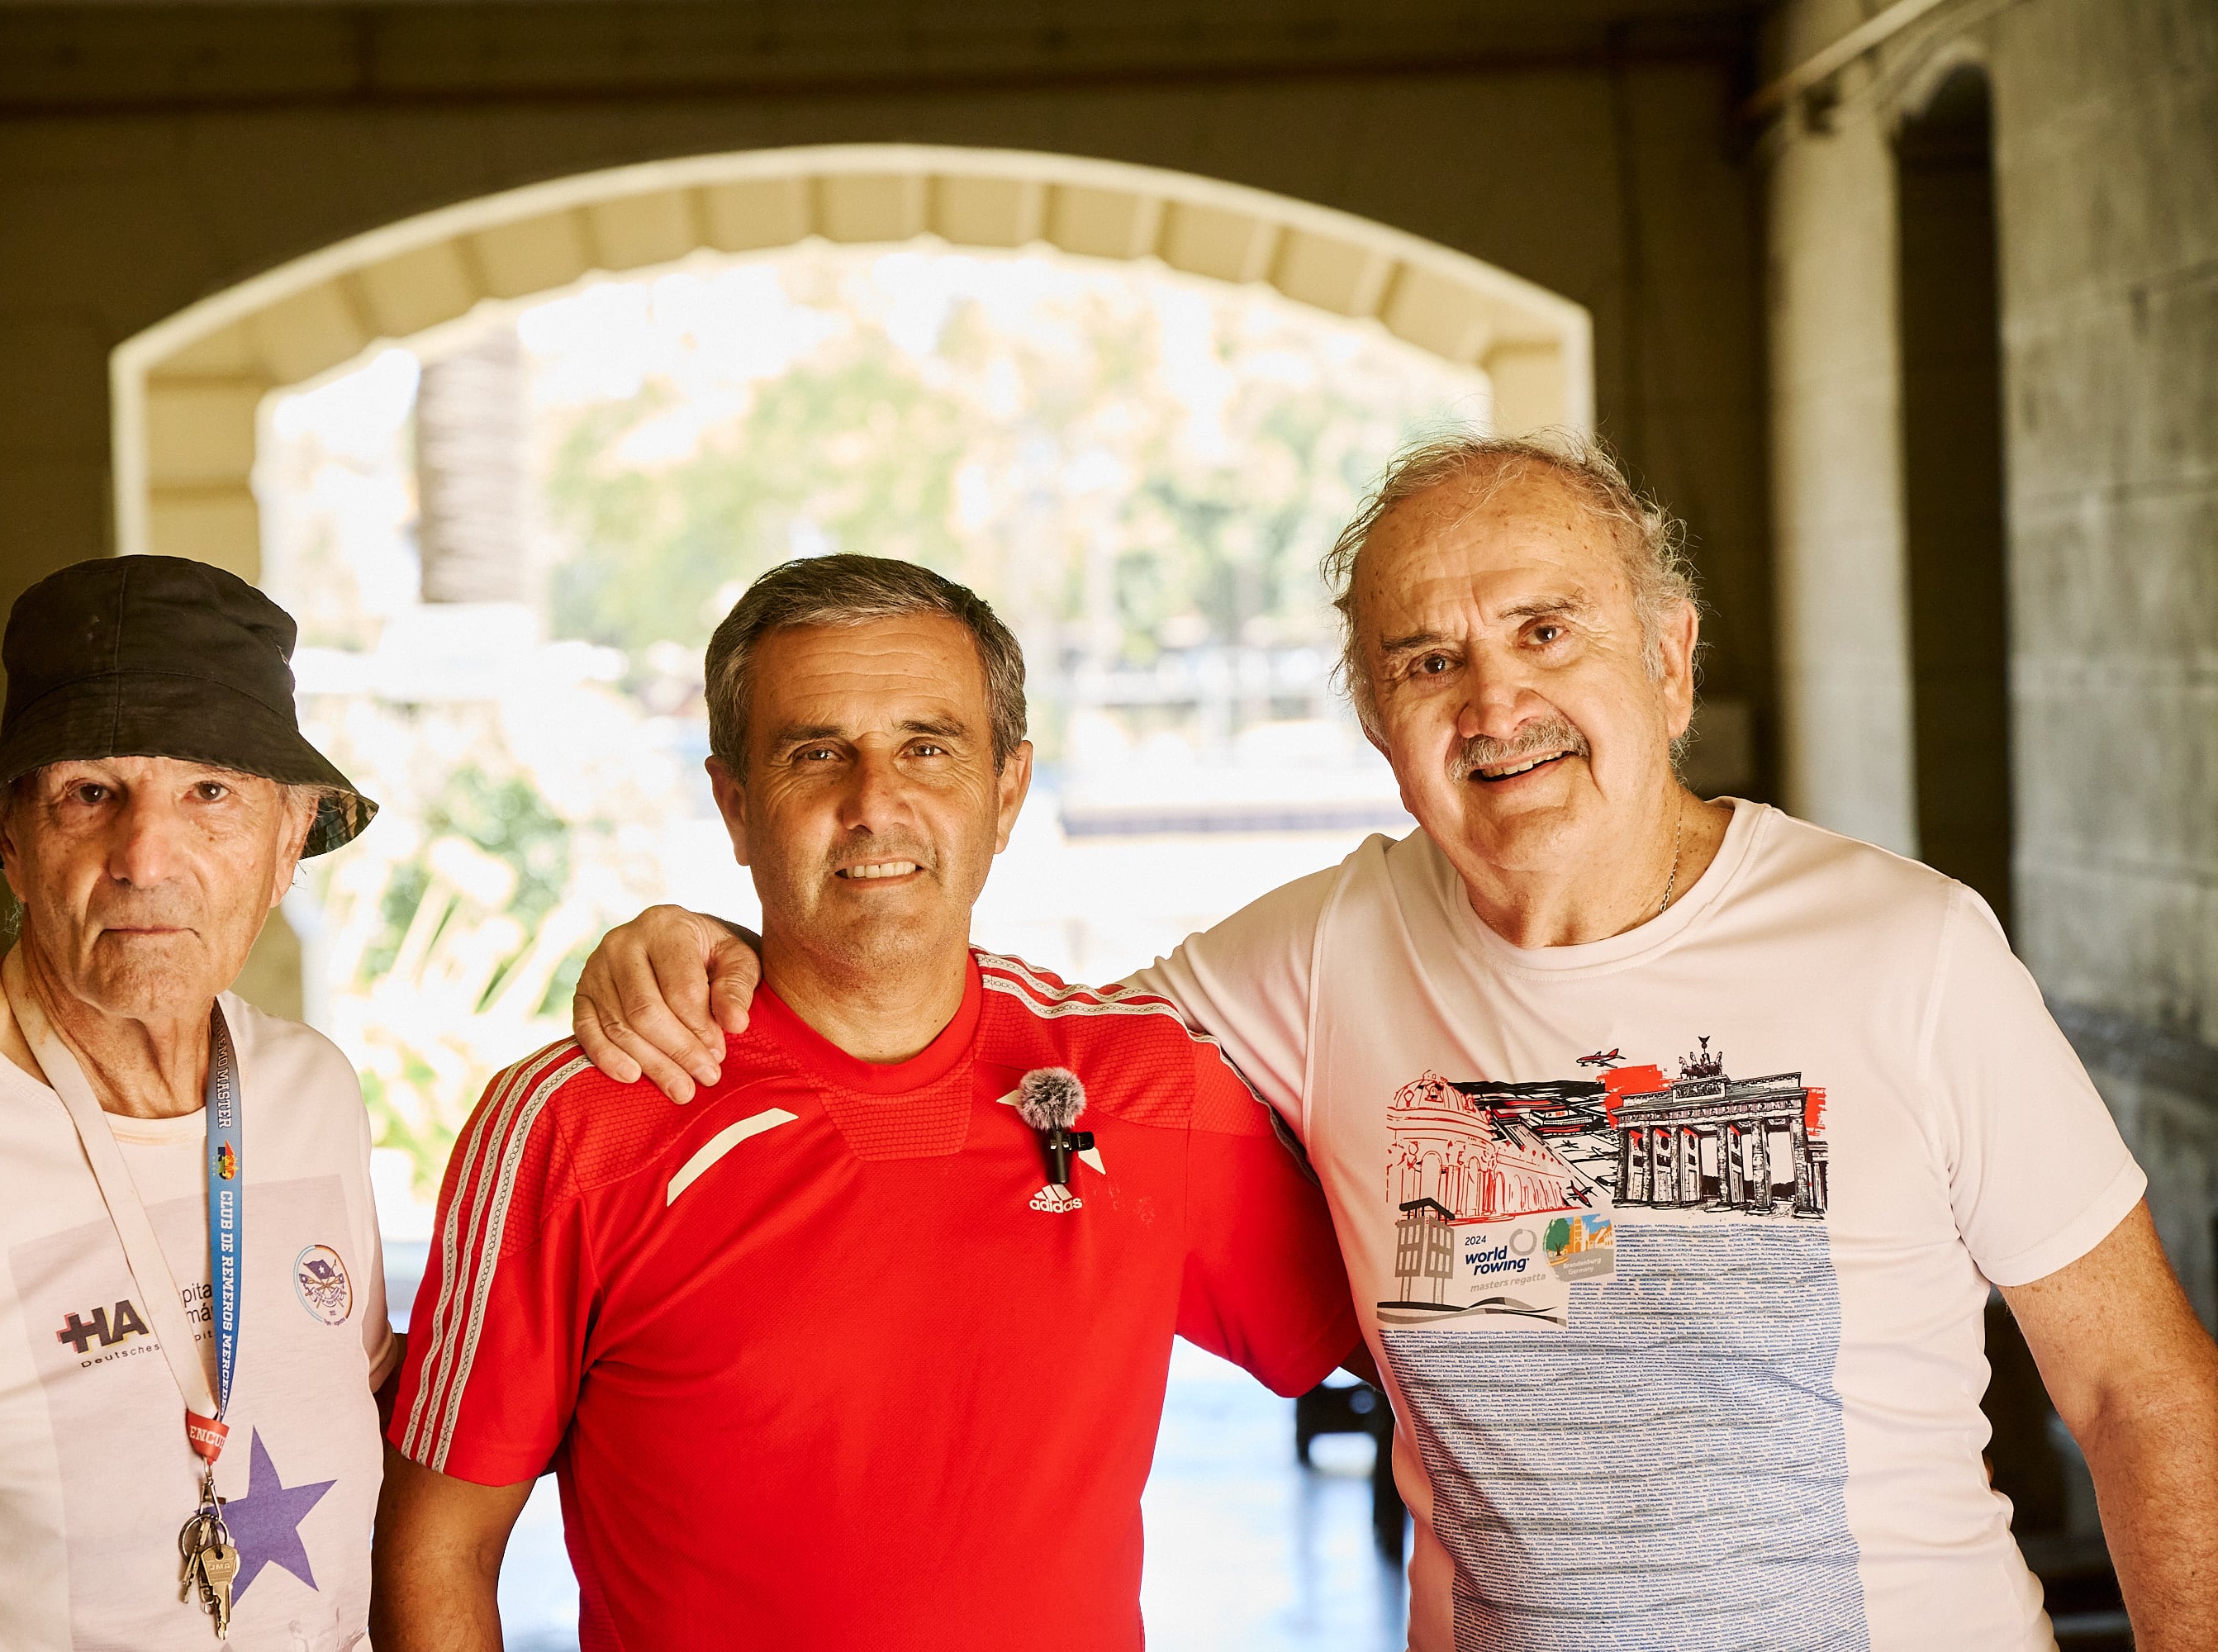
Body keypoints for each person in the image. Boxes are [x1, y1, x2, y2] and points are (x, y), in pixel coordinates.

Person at [570, 433, 2218, 1650]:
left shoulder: (1904, 946)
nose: (1491, 702)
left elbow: (2142, 1389)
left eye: (1544, 632)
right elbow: (957, 1031)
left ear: (1668, 654)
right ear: (1375, 720)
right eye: (1426, 659)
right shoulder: (1319, 952)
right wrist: (731, 947)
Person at [373, 555, 1359, 1652]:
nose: (874, 804)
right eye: (815, 756)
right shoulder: (580, 1122)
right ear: (736, 806)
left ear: (1009, 791)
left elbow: (1433, 1365)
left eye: (927, 749)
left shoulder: (1141, 1085)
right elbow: (436, 1549)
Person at [0, 557, 399, 1650]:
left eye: (212, 792)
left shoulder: (309, 1095)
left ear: (292, 839)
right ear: (8, 838)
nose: (144, 858)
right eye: (90, 793)